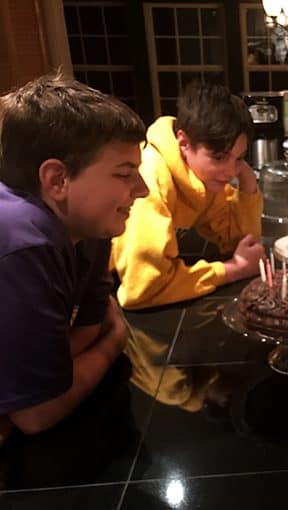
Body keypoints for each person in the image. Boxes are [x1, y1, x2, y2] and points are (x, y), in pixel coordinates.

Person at [0, 74, 149, 437]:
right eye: (124, 174)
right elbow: (37, 413)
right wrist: (115, 341)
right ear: (57, 180)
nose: (143, 190)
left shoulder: (89, 222)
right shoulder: (23, 241)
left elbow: (87, 325)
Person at [111, 81, 264, 310]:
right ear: (183, 142)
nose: (231, 171)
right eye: (220, 157)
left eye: (239, 158)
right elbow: (141, 290)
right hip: (82, 290)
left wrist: (248, 184)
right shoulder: (149, 181)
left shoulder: (202, 176)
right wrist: (231, 270)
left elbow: (240, 243)